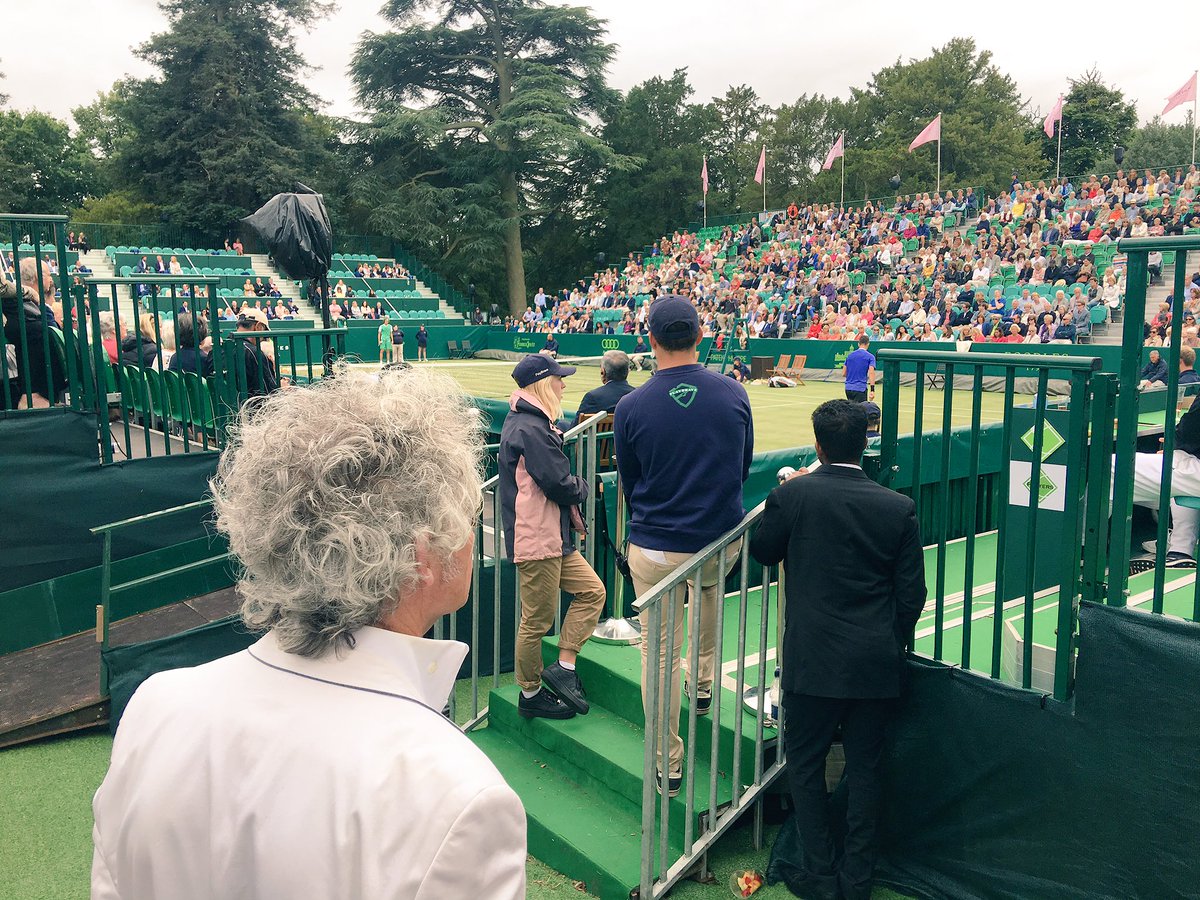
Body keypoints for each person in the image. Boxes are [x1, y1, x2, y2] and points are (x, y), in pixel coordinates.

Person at [91, 367, 527, 899]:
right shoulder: (458, 795)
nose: (470, 534)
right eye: (465, 514)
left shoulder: (155, 708)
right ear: (422, 558)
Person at [750, 400, 926, 900]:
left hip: (812, 660)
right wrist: (888, 641)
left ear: (818, 446)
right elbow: (912, 595)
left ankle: (821, 876)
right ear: (864, 445)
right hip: (874, 661)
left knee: (806, 767)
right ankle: (857, 880)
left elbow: (762, 551)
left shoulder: (794, 494)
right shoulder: (897, 507)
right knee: (865, 769)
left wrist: (786, 494)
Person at [614, 295, 753, 797]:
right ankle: (704, 683)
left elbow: (630, 481)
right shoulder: (733, 392)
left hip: (656, 546)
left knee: (659, 654)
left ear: (651, 340)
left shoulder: (631, 406)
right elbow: (741, 468)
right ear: (699, 335)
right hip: (717, 540)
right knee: (709, 591)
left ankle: (666, 762)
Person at [499, 354, 607, 720]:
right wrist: (583, 485)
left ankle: (564, 666)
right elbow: (561, 484)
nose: (563, 384)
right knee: (536, 621)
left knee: (592, 591)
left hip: (550, 536)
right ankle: (530, 693)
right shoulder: (531, 427)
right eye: (559, 379)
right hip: (538, 538)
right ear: (543, 384)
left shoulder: (529, 422)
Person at [571, 349, 635, 427]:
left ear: (603, 371)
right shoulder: (638, 396)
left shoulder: (593, 397)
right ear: (628, 371)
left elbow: (574, 428)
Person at [843, 333, 876, 402]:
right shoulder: (870, 357)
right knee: (861, 408)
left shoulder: (850, 355)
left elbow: (844, 373)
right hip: (860, 388)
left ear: (858, 344)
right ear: (868, 344)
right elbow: (871, 373)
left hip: (848, 388)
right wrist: (872, 390)